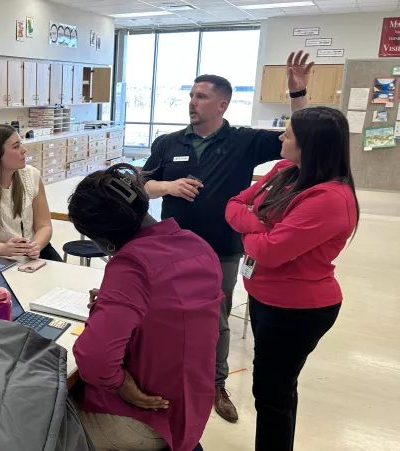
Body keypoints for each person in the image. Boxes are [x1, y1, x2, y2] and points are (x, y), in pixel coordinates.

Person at [140, 51, 314, 422]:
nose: (192, 102)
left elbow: (303, 139)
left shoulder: (244, 141)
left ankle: (216, 383)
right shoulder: (168, 142)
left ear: (222, 104)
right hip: (170, 246)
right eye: (191, 95)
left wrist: (297, 94)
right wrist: (166, 186)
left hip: (221, 249)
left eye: (201, 96)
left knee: (216, 318)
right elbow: (141, 184)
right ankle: (166, 374)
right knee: (166, 312)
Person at [225, 107, 358, 451]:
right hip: (265, 297)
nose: (280, 137)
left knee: (273, 394)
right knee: (269, 384)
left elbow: (269, 252)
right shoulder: (285, 170)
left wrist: (254, 228)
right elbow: (234, 204)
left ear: (309, 144)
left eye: (288, 133)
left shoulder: (330, 199)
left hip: (297, 310)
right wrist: (262, 227)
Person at [68, 164, 223, 451]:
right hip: (192, 408)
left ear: (105, 241)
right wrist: (114, 300)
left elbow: (96, 360)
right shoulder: (198, 246)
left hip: (146, 419)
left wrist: (118, 382)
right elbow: (175, 314)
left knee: (42, 405)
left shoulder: (131, 265)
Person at [0, 124, 62, 261]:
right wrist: (3, 249)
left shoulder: (32, 175)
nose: (23, 150)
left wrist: (36, 245)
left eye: (21, 144)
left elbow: (44, 226)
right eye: (16, 146)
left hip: (33, 251)